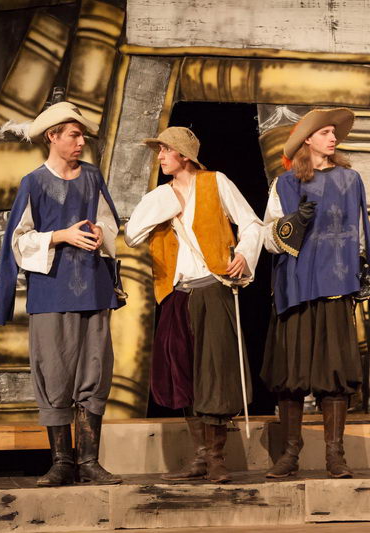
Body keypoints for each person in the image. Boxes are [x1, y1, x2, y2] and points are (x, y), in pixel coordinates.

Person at [0, 101, 124, 486]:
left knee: (95, 371)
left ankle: (89, 461)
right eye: (74, 135)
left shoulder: (92, 176)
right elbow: (17, 241)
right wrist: (60, 236)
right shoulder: (34, 182)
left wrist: (99, 232)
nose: (81, 142)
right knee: (54, 371)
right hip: (51, 292)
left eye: (82, 136)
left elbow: (109, 223)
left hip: (93, 288)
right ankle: (62, 461)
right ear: (53, 136)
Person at [124, 126, 262, 483]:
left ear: (184, 155)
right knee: (182, 373)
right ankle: (200, 456)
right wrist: (164, 205)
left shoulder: (216, 182)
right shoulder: (159, 196)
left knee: (214, 373)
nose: (160, 156)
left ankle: (216, 458)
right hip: (175, 294)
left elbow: (252, 223)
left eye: (165, 150)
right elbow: (132, 235)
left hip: (212, 289)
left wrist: (244, 254)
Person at [261, 108, 370, 479]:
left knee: (335, 373)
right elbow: (268, 239)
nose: (333, 138)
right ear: (307, 140)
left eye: (334, 133)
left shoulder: (350, 180)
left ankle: (335, 454)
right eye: (325, 133)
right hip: (297, 287)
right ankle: (290, 453)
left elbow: (359, 230)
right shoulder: (285, 184)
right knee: (291, 375)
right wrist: (292, 223)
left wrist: (363, 267)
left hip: (334, 284)